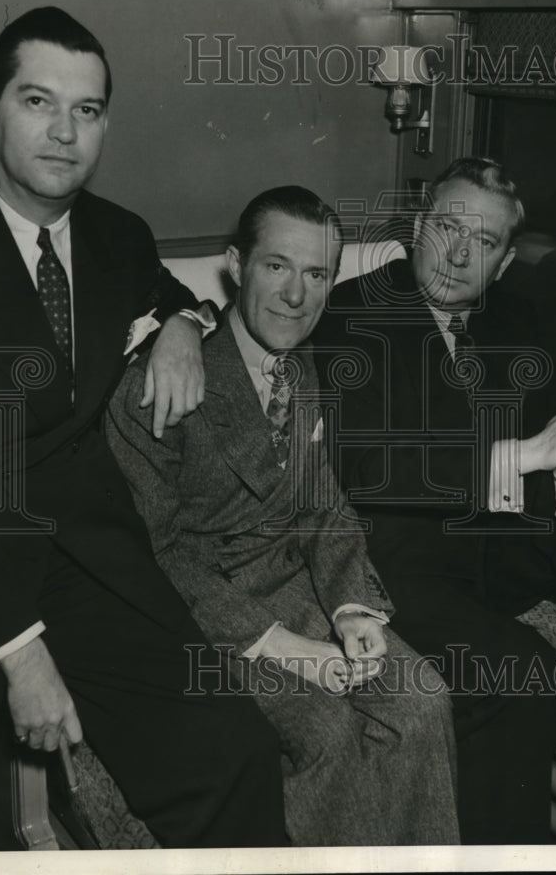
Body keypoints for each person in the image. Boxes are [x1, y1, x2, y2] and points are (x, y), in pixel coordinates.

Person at [0, 6, 286, 850]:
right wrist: (18, 652)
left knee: (230, 748)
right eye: (37, 102)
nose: (64, 133)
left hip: (90, 559)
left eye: (85, 111)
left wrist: (182, 329)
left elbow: (170, 291)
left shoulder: (116, 234)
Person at [312, 156, 556, 844]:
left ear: (502, 264)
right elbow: (370, 465)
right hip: (397, 560)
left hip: (495, 544)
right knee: (525, 675)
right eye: (448, 226)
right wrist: (534, 454)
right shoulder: (350, 310)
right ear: (418, 228)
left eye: (487, 242)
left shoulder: (516, 315)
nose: (460, 252)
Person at [105, 186, 460, 847]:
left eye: (317, 273)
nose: (297, 295)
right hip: (206, 615)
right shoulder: (161, 383)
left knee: (422, 698)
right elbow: (162, 552)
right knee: (325, 729)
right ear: (238, 265)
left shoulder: (303, 370)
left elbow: (324, 505)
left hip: (300, 589)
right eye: (277, 266)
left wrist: (354, 609)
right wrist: (289, 648)